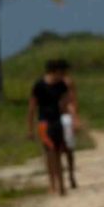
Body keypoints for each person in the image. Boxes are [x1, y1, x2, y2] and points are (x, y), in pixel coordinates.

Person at [27, 59, 69, 196]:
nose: (63, 75)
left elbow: (65, 105)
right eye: (62, 73)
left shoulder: (62, 85)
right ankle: (53, 184)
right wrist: (30, 129)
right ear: (55, 72)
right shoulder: (39, 86)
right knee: (50, 152)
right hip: (44, 123)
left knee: (58, 152)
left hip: (57, 121)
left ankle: (61, 184)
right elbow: (32, 108)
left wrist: (70, 122)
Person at [57, 59, 79, 189]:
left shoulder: (68, 82)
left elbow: (72, 100)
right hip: (56, 117)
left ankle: (70, 174)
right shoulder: (53, 83)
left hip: (65, 116)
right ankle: (62, 176)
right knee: (57, 149)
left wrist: (75, 117)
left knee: (68, 148)